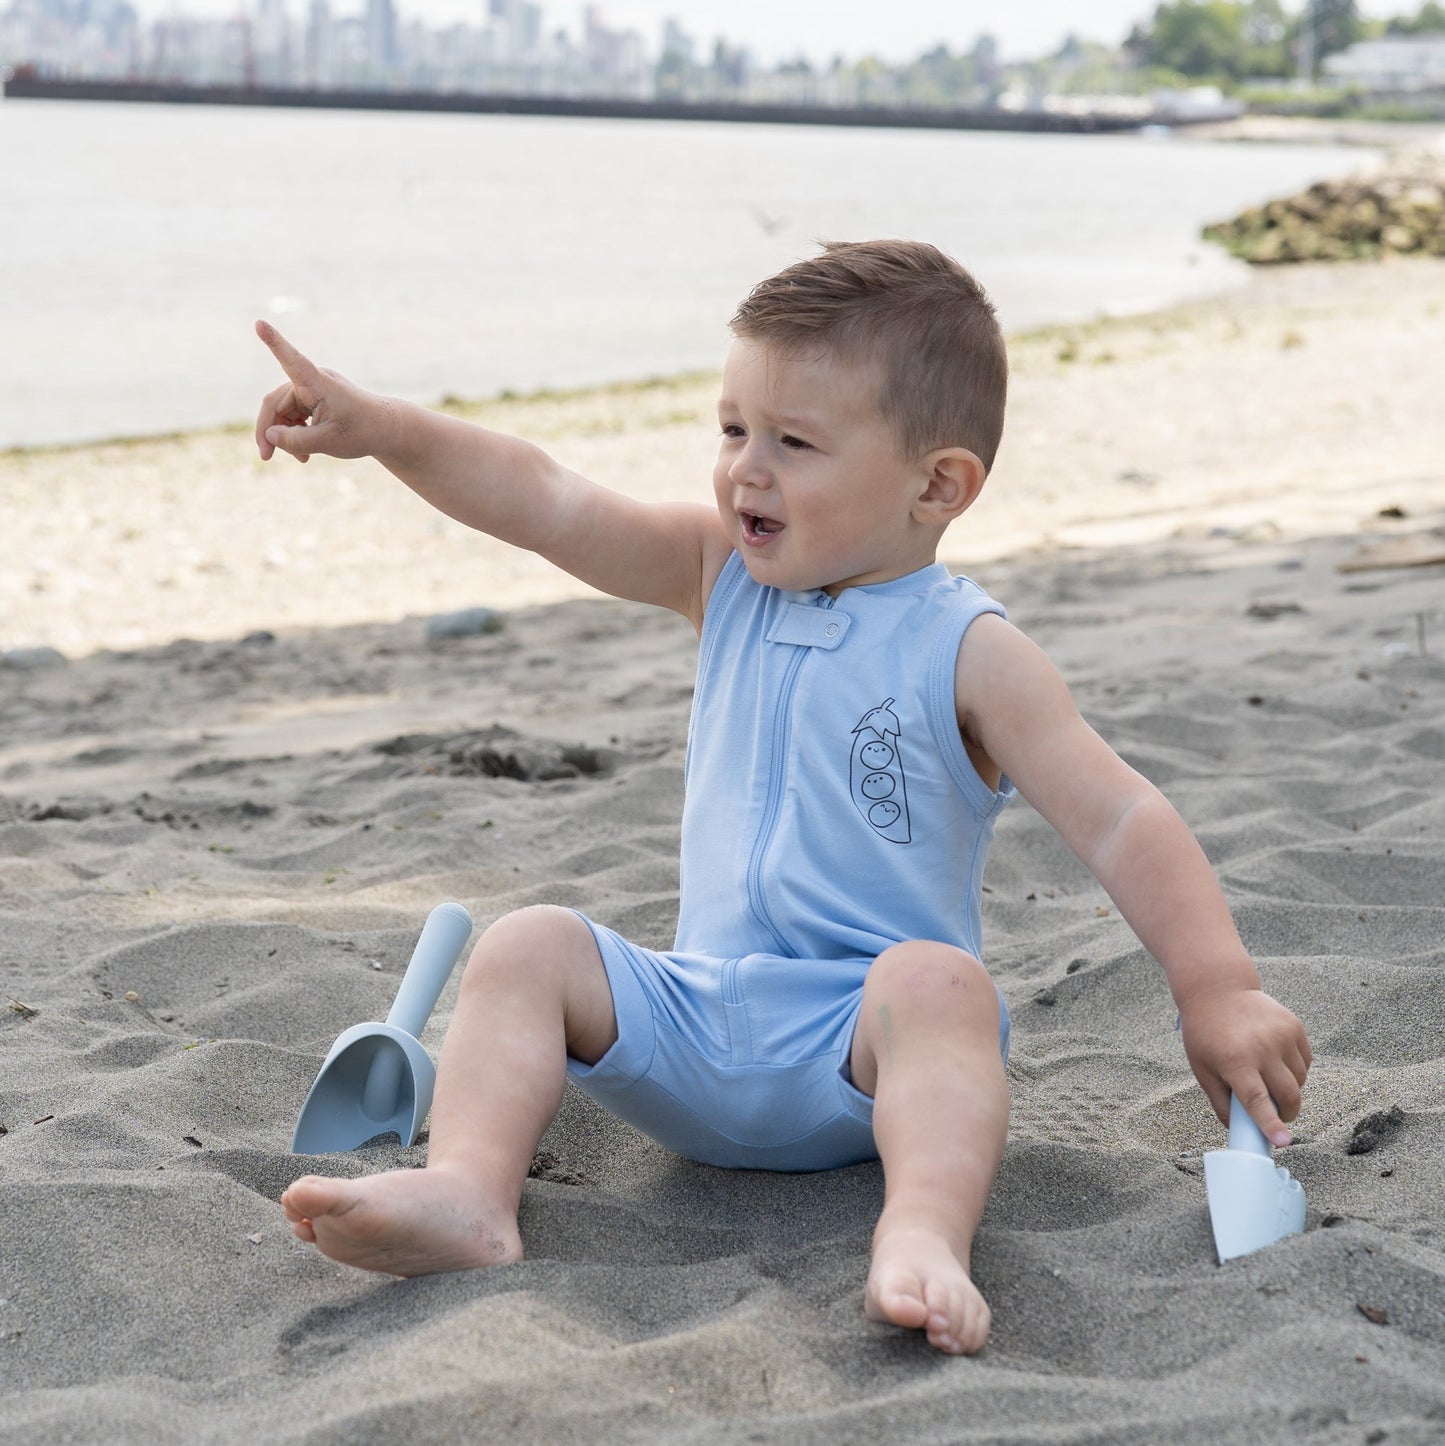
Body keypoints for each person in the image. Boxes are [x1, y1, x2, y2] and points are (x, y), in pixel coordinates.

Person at [257, 240, 1311, 1357]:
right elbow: (544, 496)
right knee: (529, 943)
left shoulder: (967, 649)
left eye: (792, 443)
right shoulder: (717, 573)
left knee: (943, 983)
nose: (743, 471)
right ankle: (468, 1190)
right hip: (689, 1024)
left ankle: (918, 1235)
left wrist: (1215, 987)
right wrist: (387, 432)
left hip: (858, 1054)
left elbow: (1117, 815)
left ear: (936, 485)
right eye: (730, 430)